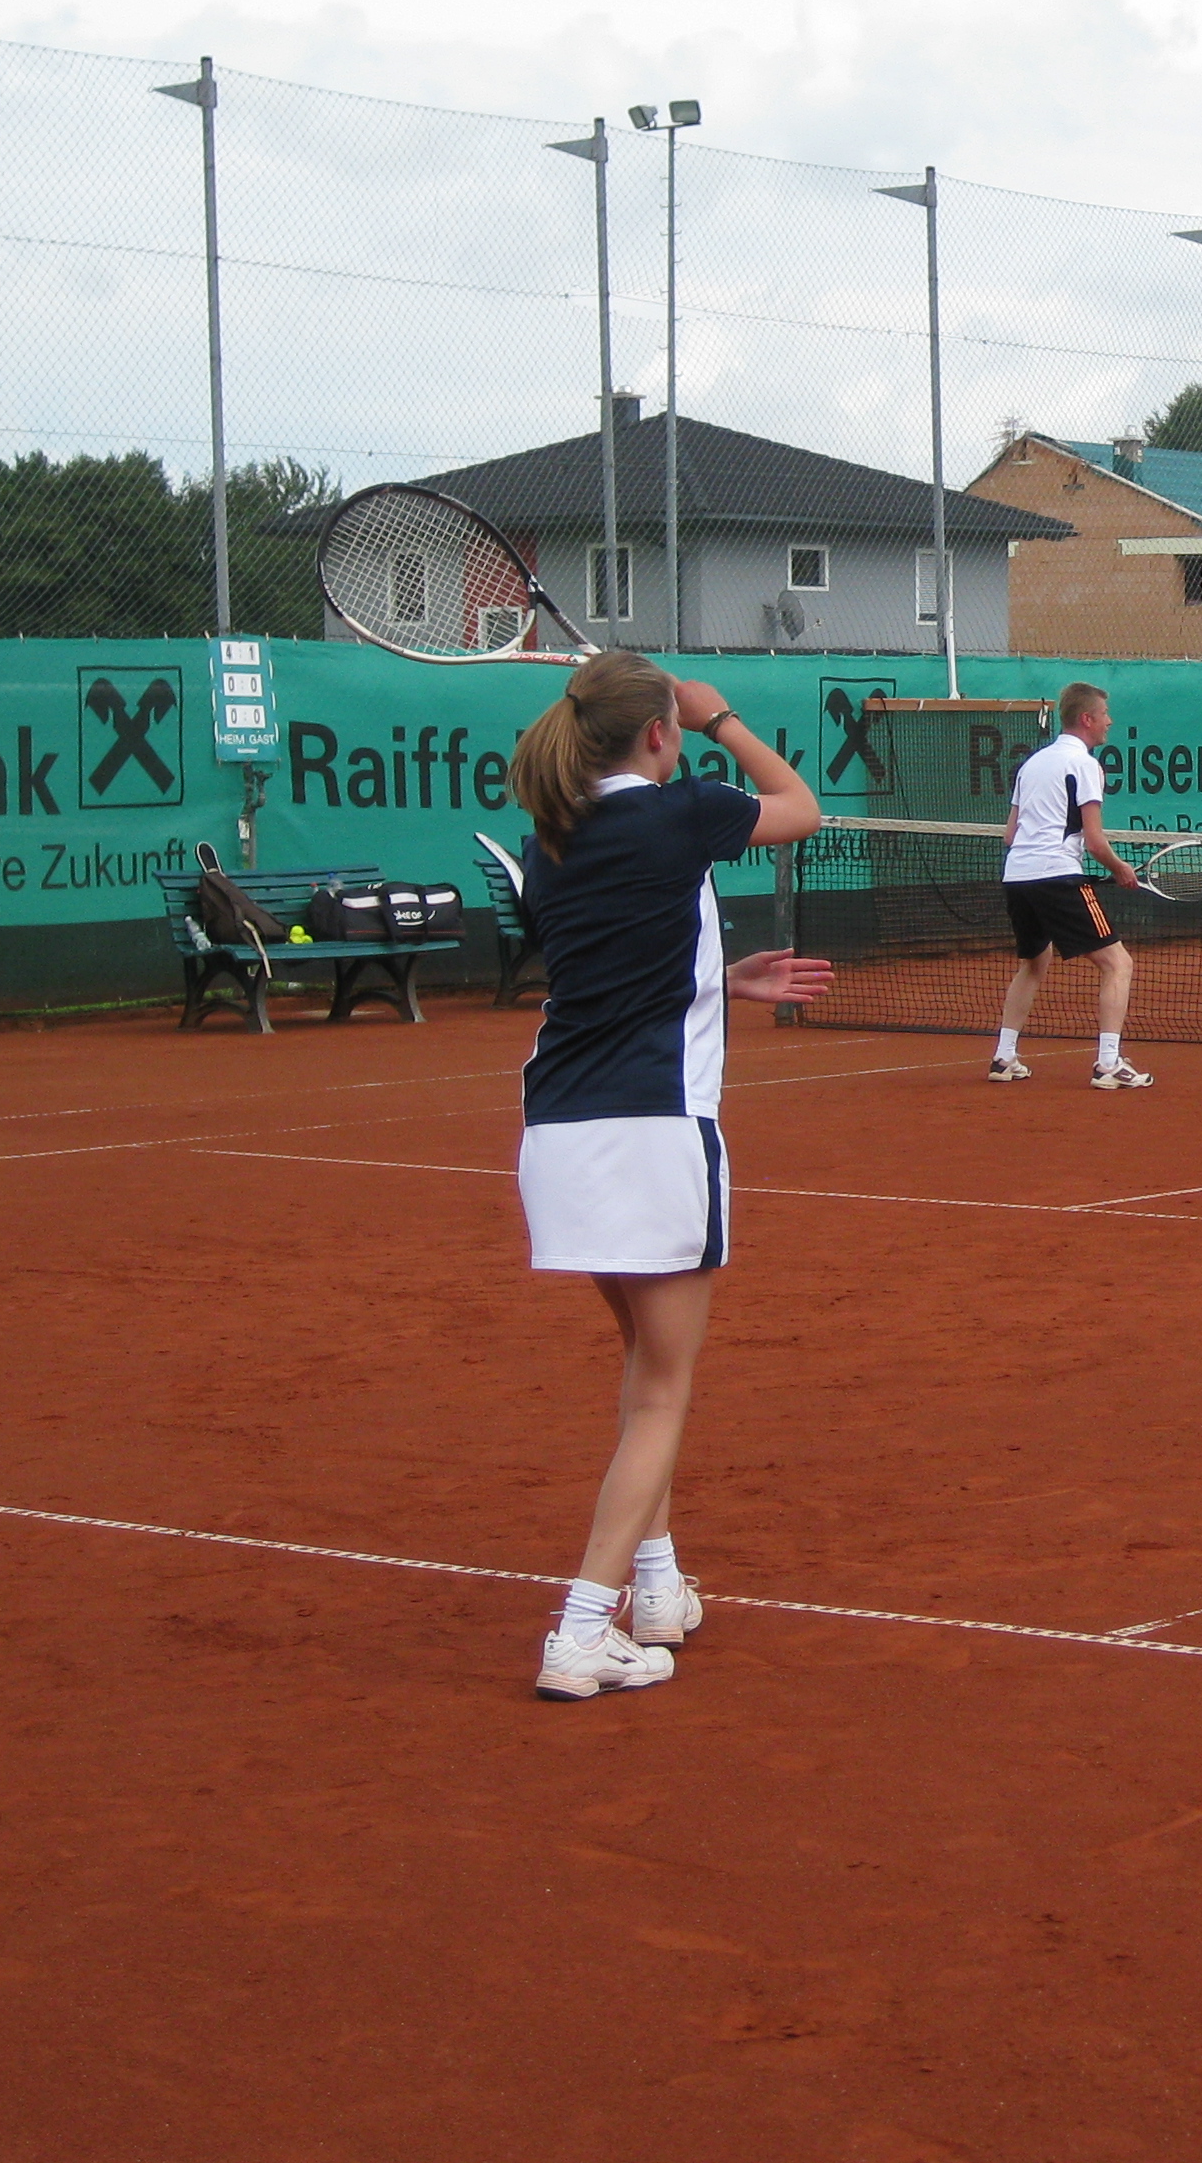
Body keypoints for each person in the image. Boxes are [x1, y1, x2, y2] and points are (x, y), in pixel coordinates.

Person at [511, 652, 829, 1703]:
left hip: (558, 1136)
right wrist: (723, 716)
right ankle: (580, 1630)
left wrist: (717, 982)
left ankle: (653, 1587)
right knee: (662, 1393)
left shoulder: (549, 840)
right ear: (657, 733)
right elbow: (802, 809)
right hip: (652, 1134)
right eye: (675, 727)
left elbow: (613, 977)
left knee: (643, 1367)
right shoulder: (681, 810)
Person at [989, 679, 1153, 1090]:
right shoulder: (1085, 765)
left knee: (1034, 963)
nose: (1109, 722)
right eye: (1104, 716)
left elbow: (1010, 835)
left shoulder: (1031, 764)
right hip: (1056, 875)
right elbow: (1095, 840)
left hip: (1018, 878)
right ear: (1087, 719)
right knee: (1118, 964)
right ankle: (1109, 1064)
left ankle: (1004, 1057)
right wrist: (1119, 868)